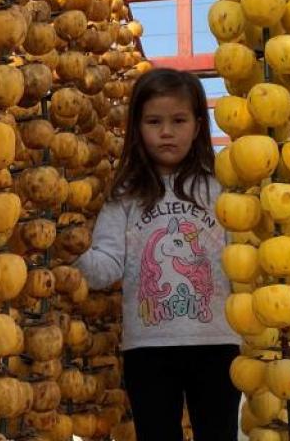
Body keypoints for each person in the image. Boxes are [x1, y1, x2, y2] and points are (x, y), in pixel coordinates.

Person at [74, 68, 241, 441]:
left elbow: (241, 258)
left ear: (198, 126)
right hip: (148, 348)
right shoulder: (126, 196)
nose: (167, 132)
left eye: (178, 120)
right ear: (138, 127)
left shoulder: (222, 189)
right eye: (154, 121)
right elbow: (107, 264)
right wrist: (70, 254)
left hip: (216, 343)